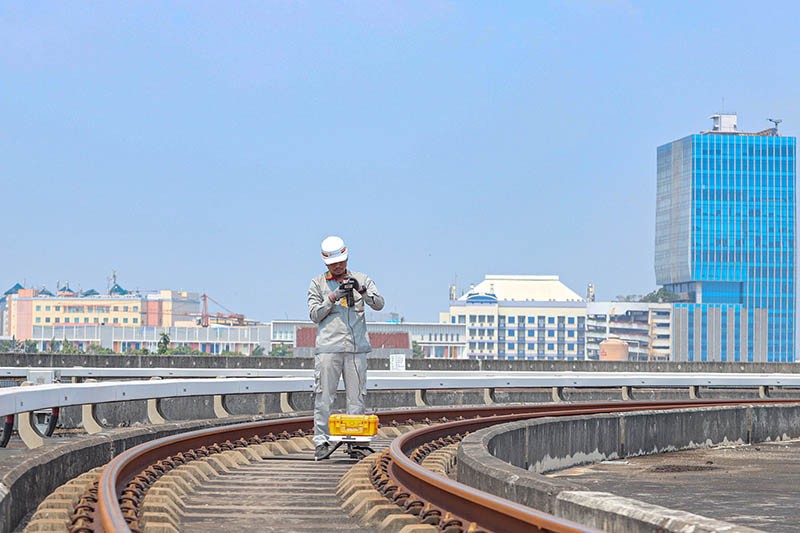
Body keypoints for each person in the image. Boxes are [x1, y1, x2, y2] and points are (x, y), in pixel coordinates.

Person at [307, 235, 384, 460]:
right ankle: (322, 442)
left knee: (356, 398)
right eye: (332, 264)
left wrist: (362, 290)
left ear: (346, 258)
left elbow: (379, 304)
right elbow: (314, 315)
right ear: (325, 263)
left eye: (340, 262)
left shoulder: (362, 279)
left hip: (356, 349)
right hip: (328, 348)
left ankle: (357, 443)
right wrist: (332, 297)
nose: (337, 267)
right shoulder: (317, 283)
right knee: (324, 397)